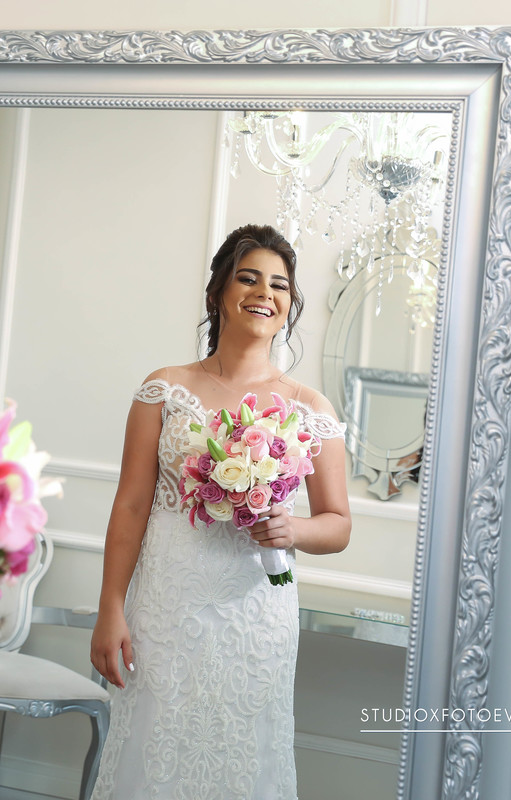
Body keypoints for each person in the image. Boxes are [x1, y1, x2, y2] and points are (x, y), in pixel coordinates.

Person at [89, 223, 352, 799]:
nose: (264, 293)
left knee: (244, 760)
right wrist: (110, 607)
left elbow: (338, 525)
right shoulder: (164, 389)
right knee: (151, 752)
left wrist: (292, 528)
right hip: (165, 607)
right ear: (218, 293)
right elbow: (130, 506)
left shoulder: (310, 407)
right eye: (248, 278)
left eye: (279, 285)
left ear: (289, 305)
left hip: (255, 612)